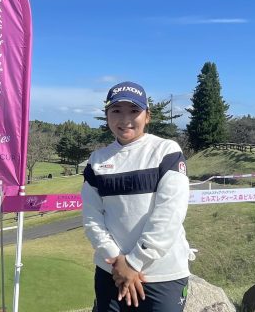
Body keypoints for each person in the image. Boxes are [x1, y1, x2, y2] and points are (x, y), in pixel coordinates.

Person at [82, 81, 193, 311]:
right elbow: (92, 217)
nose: (125, 119)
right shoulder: (96, 161)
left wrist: (133, 263)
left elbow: (169, 214)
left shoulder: (167, 151)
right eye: (116, 111)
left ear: (147, 116)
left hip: (163, 274)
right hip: (111, 272)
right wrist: (118, 261)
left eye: (134, 111)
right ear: (107, 115)